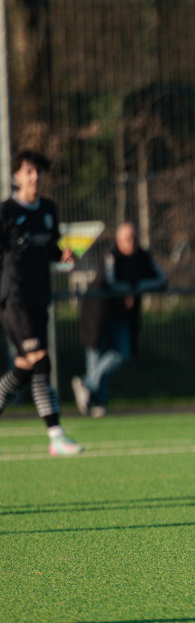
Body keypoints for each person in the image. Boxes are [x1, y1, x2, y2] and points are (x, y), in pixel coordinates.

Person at [0, 150, 84, 455]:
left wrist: (63, 254)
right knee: (40, 360)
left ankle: (55, 434)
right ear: (16, 177)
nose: (35, 177)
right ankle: (56, 435)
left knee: (24, 368)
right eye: (29, 171)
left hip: (39, 297)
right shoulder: (6, 211)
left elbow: (51, 246)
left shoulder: (48, 209)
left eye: (39, 172)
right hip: (14, 298)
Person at [72, 222, 167, 417]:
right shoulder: (111, 256)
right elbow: (110, 282)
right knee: (96, 356)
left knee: (122, 353)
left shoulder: (143, 256)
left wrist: (135, 287)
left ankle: (86, 385)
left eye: (133, 238)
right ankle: (97, 403)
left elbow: (161, 279)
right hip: (98, 315)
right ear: (118, 240)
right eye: (126, 239)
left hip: (123, 316)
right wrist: (131, 289)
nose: (131, 242)